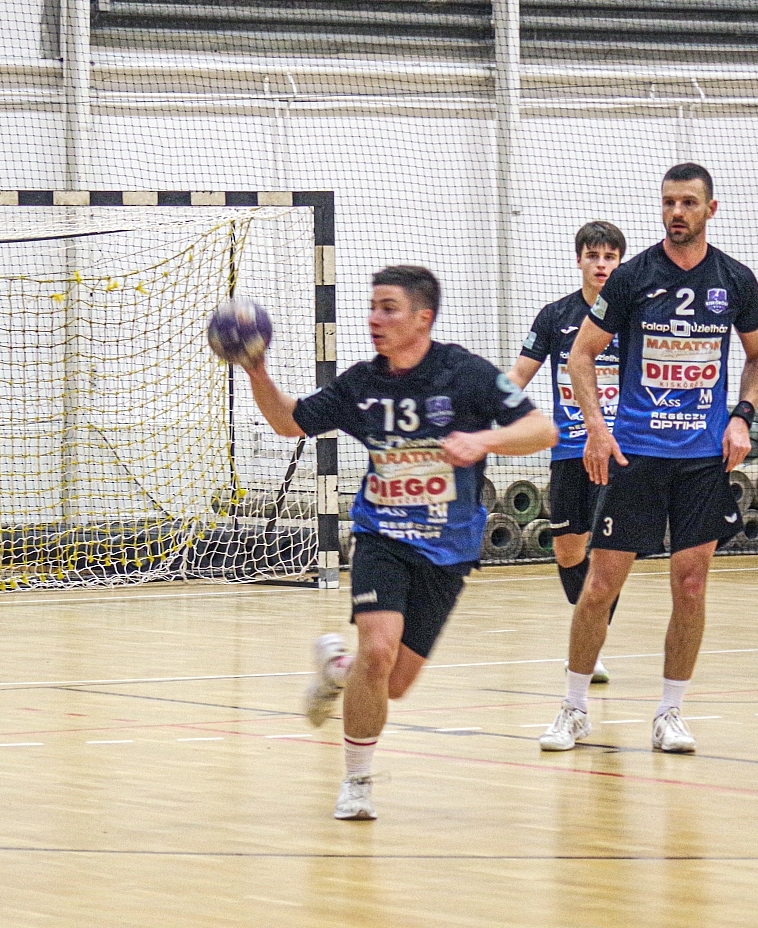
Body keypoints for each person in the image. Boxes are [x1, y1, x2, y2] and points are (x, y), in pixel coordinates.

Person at [238, 265, 556, 820]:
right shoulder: (362, 384)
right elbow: (291, 423)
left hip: (449, 547)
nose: (374, 319)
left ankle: (339, 669)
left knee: (394, 681)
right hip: (381, 535)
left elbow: (541, 430)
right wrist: (256, 371)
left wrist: (484, 440)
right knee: (380, 650)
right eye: (372, 307)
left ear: (422, 318)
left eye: (388, 308)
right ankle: (357, 782)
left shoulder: (465, 374)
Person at [542, 163, 758, 754]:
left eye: (688, 202)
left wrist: (742, 416)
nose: (677, 212)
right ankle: (573, 708)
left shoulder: (736, 280)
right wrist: (596, 429)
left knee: (691, 585)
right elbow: (580, 356)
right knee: (600, 584)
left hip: (702, 460)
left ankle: (670, 713)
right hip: (637, 455)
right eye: (669, 202)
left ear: (710, 209)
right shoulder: (633, 277)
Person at [511, 220, 627, 683]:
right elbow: (519, 375)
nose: (601, 265)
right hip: (568, 453)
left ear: (619, 262)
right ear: (578, 259)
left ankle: (589, 647)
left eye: (610, 257)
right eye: (593, 256)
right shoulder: (555, 315)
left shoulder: (632, 316)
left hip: (618, 452)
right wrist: (481, 409)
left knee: (607, 555)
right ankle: (588, 630)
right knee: (566, 551)